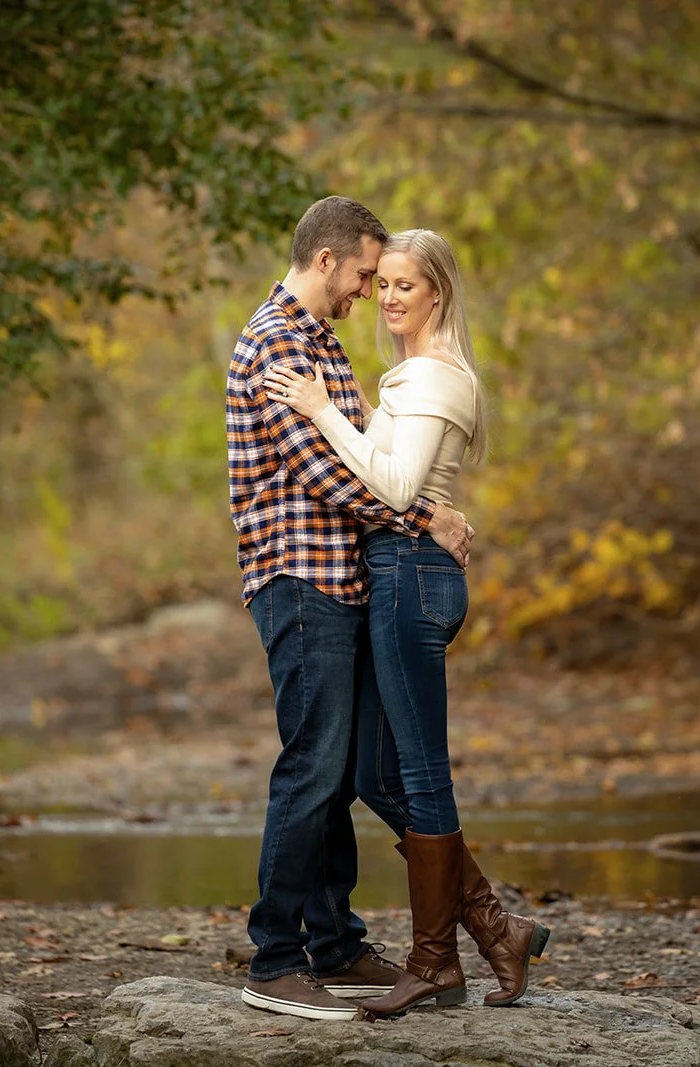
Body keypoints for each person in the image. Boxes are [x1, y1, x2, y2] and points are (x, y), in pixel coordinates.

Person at [263, 228, 552, 1016]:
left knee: (420, 772)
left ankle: (437, 960)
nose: (385, 297)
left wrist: (323, 408)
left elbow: (389, 487)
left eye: (403, 285)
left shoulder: (432, 376)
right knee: (372, 773)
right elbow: (387, 478)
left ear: (439, 293)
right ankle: (495, 927)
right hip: (393, 574)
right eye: (380, 282)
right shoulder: (405, 373)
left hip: (410, 580)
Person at [227, 198, 476, 1021]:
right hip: (298, 578)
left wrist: (406, 509)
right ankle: (275, 954)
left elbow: (367, 458)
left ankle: (333, 940)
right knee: (313, 763)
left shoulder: (321, 342)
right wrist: (426, 517)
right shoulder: (273, 343)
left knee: (337, 771)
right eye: (368, 273)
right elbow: (328, 476)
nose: (372, 290)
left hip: (342, 577)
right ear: (328, 259)